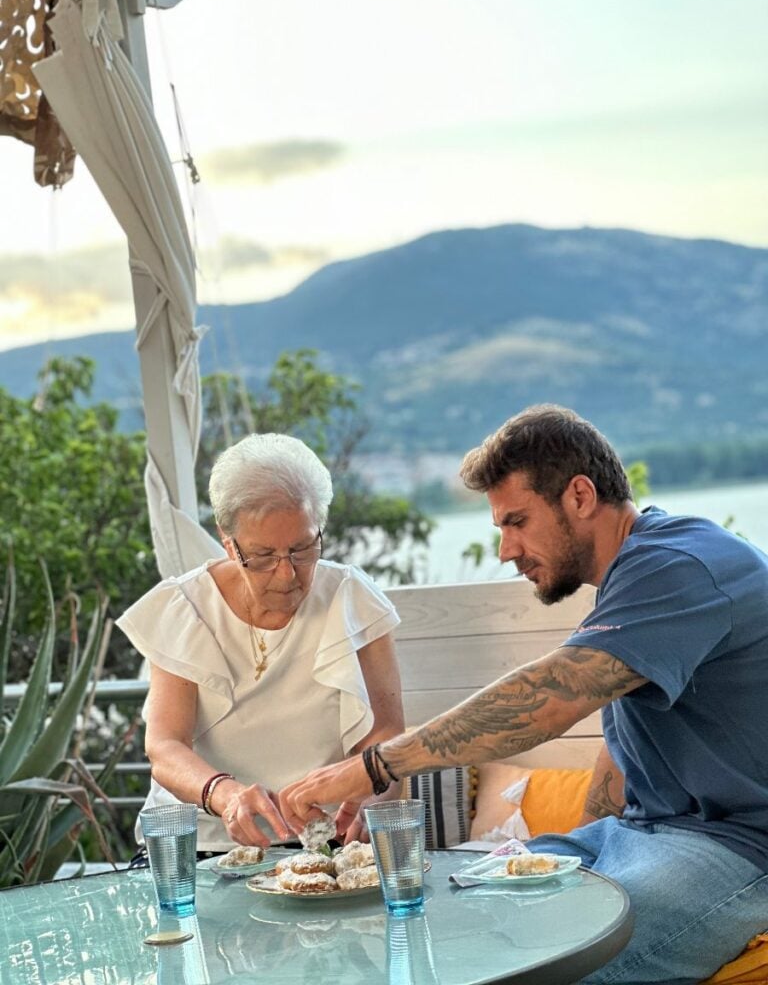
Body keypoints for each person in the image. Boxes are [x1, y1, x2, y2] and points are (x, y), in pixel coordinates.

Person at [279, 404, 768, 985]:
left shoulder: (678, 567)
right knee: (456, 903)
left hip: (738, 846)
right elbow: (622, 740)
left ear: (580, 496)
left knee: (543, 966)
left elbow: (550, 697)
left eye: (517, 522)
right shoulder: (635, 575)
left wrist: (376, 765)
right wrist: (588, 847)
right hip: (636, 834)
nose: (507, 550)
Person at [117, 433, 404, 856]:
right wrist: (228, 796)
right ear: (228, 541)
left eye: (303, 548)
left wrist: (372, 796)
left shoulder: (351, 598)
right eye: (264, 555)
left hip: (323, 842)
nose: (287, 575)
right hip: (198, 843)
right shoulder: (185, 608)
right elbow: (165, 747)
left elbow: (386, 732)